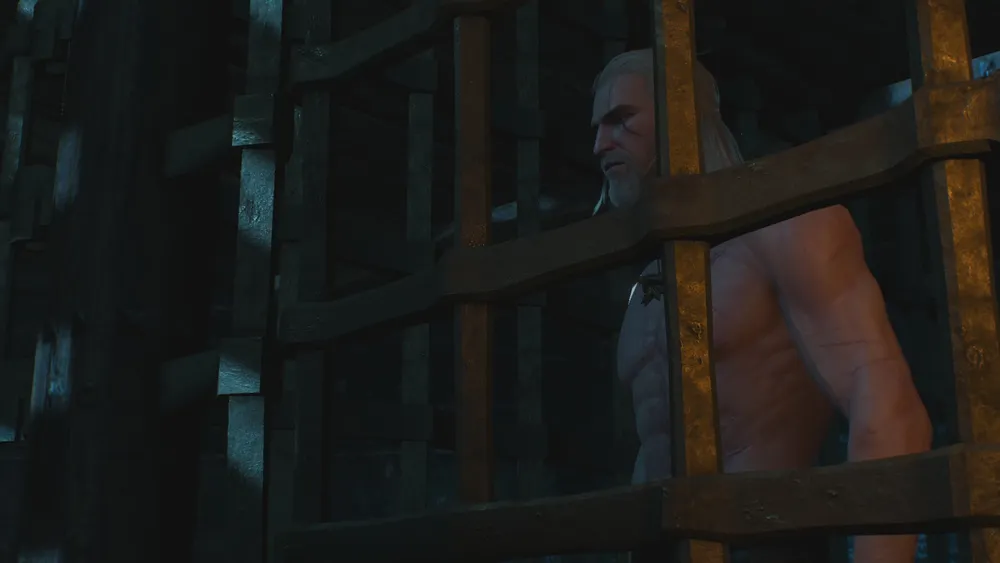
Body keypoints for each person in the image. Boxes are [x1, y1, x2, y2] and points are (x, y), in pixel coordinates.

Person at [595, 49, 931, 563]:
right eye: (597, 127)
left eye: (621, 119)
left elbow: (886, 401)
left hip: (764, 539)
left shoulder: (787, 226)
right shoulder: (648, 284)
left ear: (680, 115)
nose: (600, 145)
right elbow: (652, 444)